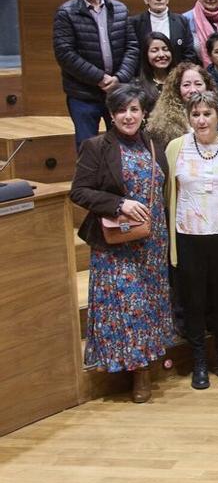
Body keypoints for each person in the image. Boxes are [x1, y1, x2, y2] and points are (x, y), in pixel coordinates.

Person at [70, 84, 173, 403]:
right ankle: (137, 373)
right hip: (117, 242)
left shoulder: (154, 144)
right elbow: (80, 191)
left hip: (153, 240)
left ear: (143, 114)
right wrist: (119, 204)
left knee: (149, 304)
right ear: (111, 115)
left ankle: (146, 363)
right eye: (121, 110)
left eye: (134, 109)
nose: (128, 116)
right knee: (128, 306)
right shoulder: (97, 146)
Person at [166, 91, 218, 389]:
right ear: (189, 118)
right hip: (189, 235)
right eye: (195, 114)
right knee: (194, 301)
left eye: (207, 114)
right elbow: (168, 192)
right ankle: (199, 361)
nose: (201, 120)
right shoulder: (176, 148)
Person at [54, 0, 140, 149]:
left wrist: (119, 78)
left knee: (123, 145)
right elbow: (65, 54)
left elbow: (132, 47)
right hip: (83, 94)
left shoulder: (119, 9)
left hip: (118, 90)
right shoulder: (66, 13)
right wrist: (100, 78)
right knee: (88, 147)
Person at [146, 62, 217, 147]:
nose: (193, 90)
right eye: (186, 85)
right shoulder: (162, 123)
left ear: (207, 87)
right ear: (177, 89)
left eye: (198, 84)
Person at [130, 0, 197, 64]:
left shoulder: (181, 21)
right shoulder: (135, 23)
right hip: (145, 75)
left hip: (176, 74)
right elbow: (133, 54)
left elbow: (189, 53)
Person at [136, 31, 180, 111]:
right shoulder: (138, 86)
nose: (161, 55)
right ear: (146, 55)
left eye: (165, 49)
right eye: (154, 50)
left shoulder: (181, 81)